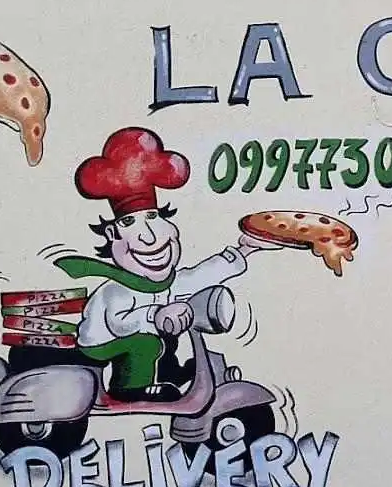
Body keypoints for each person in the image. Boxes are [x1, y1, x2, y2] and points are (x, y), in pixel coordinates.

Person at [53, 127, 278, 401]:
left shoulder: (168, 281)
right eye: (128, 222)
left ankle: (169, 373)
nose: (149, 237)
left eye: (153, 216)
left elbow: (199, 276)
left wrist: (244, 250)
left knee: (168, 335)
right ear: (112, 234)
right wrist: (154, 315)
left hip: (142, 331)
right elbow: (119, 324)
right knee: (146, 343)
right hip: (100, 343)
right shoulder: (117, 289)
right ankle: (129, 388)